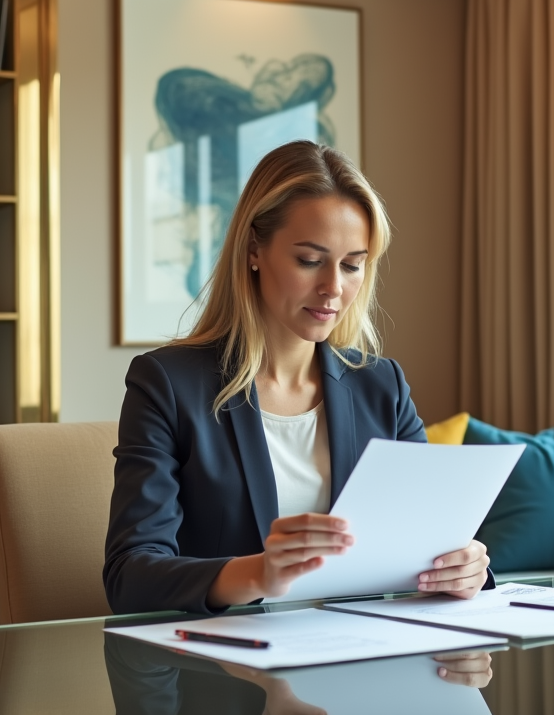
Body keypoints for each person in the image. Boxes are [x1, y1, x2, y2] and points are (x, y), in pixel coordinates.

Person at [104, 140, 491, 615]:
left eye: (352, 265)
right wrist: (258, 573)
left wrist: (467, 567)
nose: (333, 287)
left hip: (357, 664)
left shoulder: (382, 386)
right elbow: (130, 576)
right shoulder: (166, 384)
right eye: (310, 260)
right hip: (225, 675)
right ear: (253, 251)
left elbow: (428, 543)